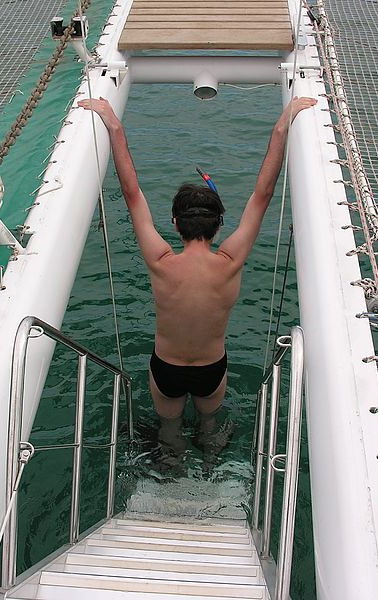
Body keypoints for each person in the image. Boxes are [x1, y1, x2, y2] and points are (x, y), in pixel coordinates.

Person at [78, 95, 317, 467]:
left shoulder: (161, 262)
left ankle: (172, 474)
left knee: (169, 429)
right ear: (219, 226)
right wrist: (282, 124)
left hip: (167, 367)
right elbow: (263, 195)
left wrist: (114, 124)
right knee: (209, 424)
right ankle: (210, 467)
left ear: (175, 224)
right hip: (211, 367)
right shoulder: (229, 261)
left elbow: (132, 194)